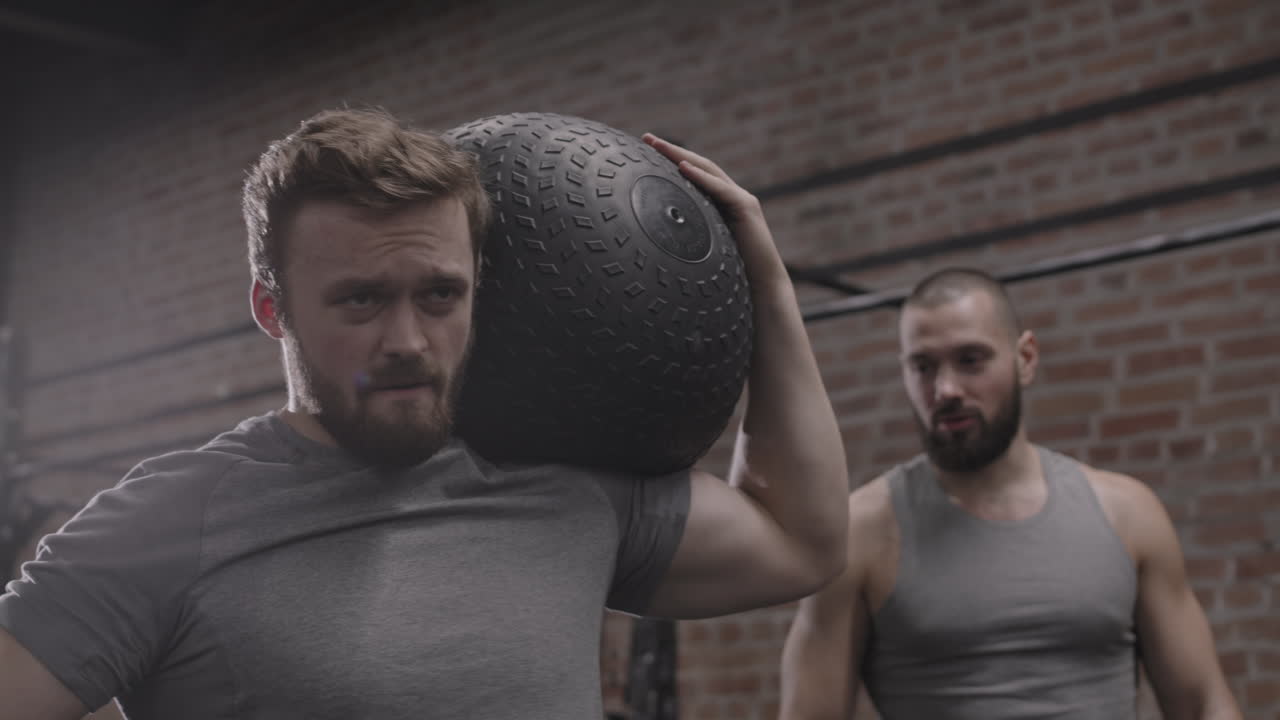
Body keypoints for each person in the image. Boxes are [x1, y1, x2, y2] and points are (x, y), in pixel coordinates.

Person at [0, 108, 849, 720]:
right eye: (361, 300)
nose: (408, 341)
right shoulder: (167, 520)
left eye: (440, 294)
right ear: (273, 308)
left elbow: (800, 541)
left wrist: (763, 281)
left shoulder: (562, 483)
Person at [779, 268, 1242, 720]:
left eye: (971, 360)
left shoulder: (1127, 512)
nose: (945, 389)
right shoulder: (859, 532)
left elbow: (1204, 703)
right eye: (923, 366)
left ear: (1025, 359)